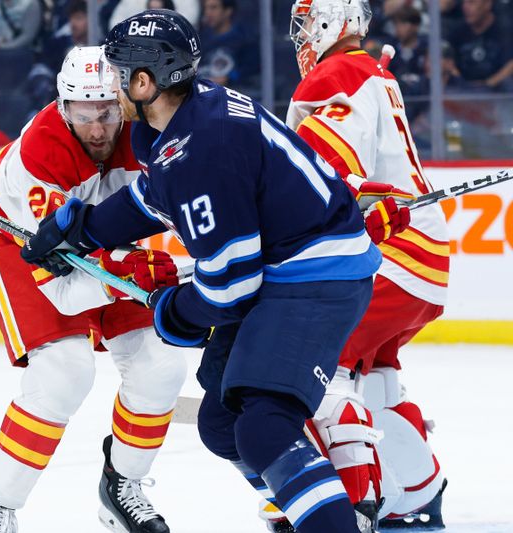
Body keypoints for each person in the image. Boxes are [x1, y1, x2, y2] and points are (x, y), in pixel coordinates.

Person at [22, 10, 387, 533]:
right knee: (223, 424)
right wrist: (82, 227)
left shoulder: (204, 150)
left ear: (144, 82)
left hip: (314, 278)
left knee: (263, 429)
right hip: (285, 269)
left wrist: (174, 313)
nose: (110, 82)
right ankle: (310, 508)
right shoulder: (183, 117)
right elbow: (153, 200)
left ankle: (331, 521)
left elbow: (230, 284)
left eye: (118, 71)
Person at [0, 46, 187, 533]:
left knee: (162, 365)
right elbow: (66, 290)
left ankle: (121, 486)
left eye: (107, 111)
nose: (98, 128)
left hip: (105, 240)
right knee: (64, 372)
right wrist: (134, 270)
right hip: (19, 244)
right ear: (63, 108)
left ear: (125, 101)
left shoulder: (148, 131)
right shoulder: (38, 156)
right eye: (84, 115)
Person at [253, 1, 450, 530]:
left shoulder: (339, 73)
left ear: (328, 24)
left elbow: (323, 172)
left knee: (320, 367)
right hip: (423, 258)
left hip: (391, 249)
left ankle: (350, 508)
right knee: (378, 379)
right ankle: (418, 495)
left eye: (304, 25)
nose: (299, 38)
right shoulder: (371, 72)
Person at [448, 0, 513, 90]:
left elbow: (511, 64)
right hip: (462, 91)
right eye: (464, 2)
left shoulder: (506, 31)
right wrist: (464, 84)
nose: (465, 7)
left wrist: (488, 84)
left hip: (498, 90)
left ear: (487, 4)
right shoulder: (456, 33)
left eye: (471, 2)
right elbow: (448, 61)